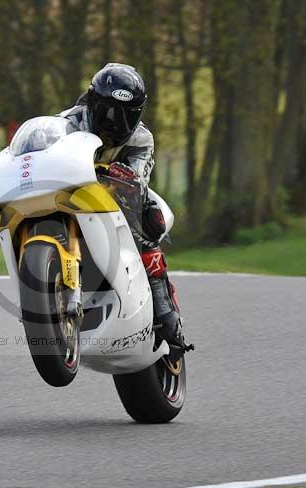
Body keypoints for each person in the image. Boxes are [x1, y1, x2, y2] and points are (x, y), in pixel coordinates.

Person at [59, 63, 193, 363]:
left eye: (125, 114)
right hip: (70, 193)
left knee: (150, 217)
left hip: (114, 198)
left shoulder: (141, 139)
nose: (113, 122)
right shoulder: (67, 122)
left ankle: (164, 308)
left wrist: (124, 180)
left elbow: (139, 179)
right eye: (107, 111)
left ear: (138, 114)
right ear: (92, 102)